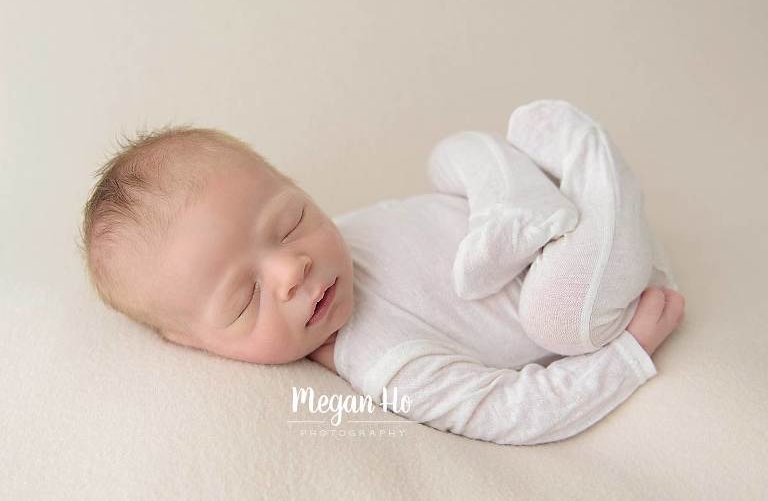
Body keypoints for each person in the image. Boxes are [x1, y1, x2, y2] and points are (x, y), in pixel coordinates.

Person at [78, 100, 684, 446]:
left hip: (524, 215)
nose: (294, 268)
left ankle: (523, 201)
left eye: (291, 221)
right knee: (557, 318)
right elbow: (511, 411)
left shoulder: (342, 236)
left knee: (447, 155)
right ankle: (593, 164)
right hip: (591, 279)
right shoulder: (384, 362)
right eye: (245, 299)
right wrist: (625, 356)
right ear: (194, 342)